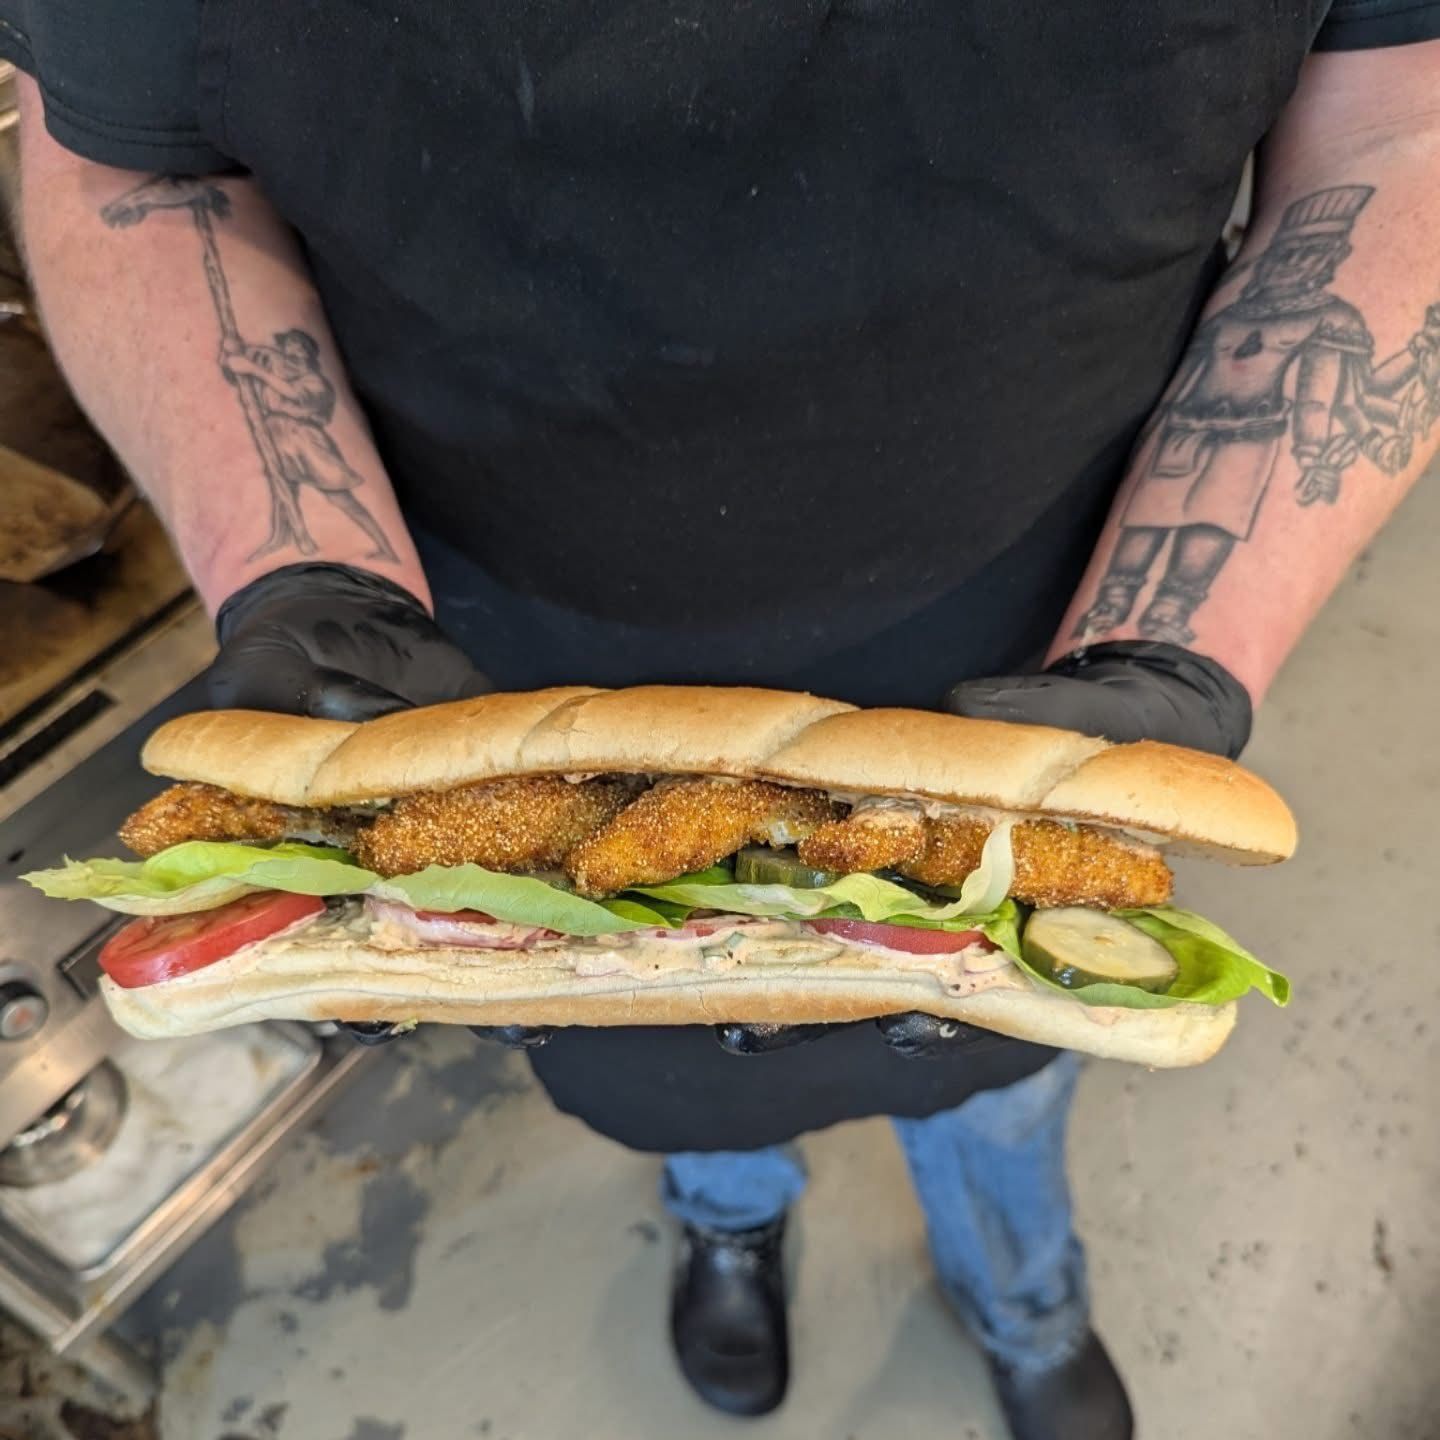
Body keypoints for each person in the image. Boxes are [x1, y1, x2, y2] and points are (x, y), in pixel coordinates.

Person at [7, 6, 1439, 1436]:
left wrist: (1183, 640)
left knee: (1005, 1085)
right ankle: (732, 1224)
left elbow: (1394, 118)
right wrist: (304, 574)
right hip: (466, 662)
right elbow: (142, 159)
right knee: (656, 1044)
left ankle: (1026, 1299)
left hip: (1045, 652)